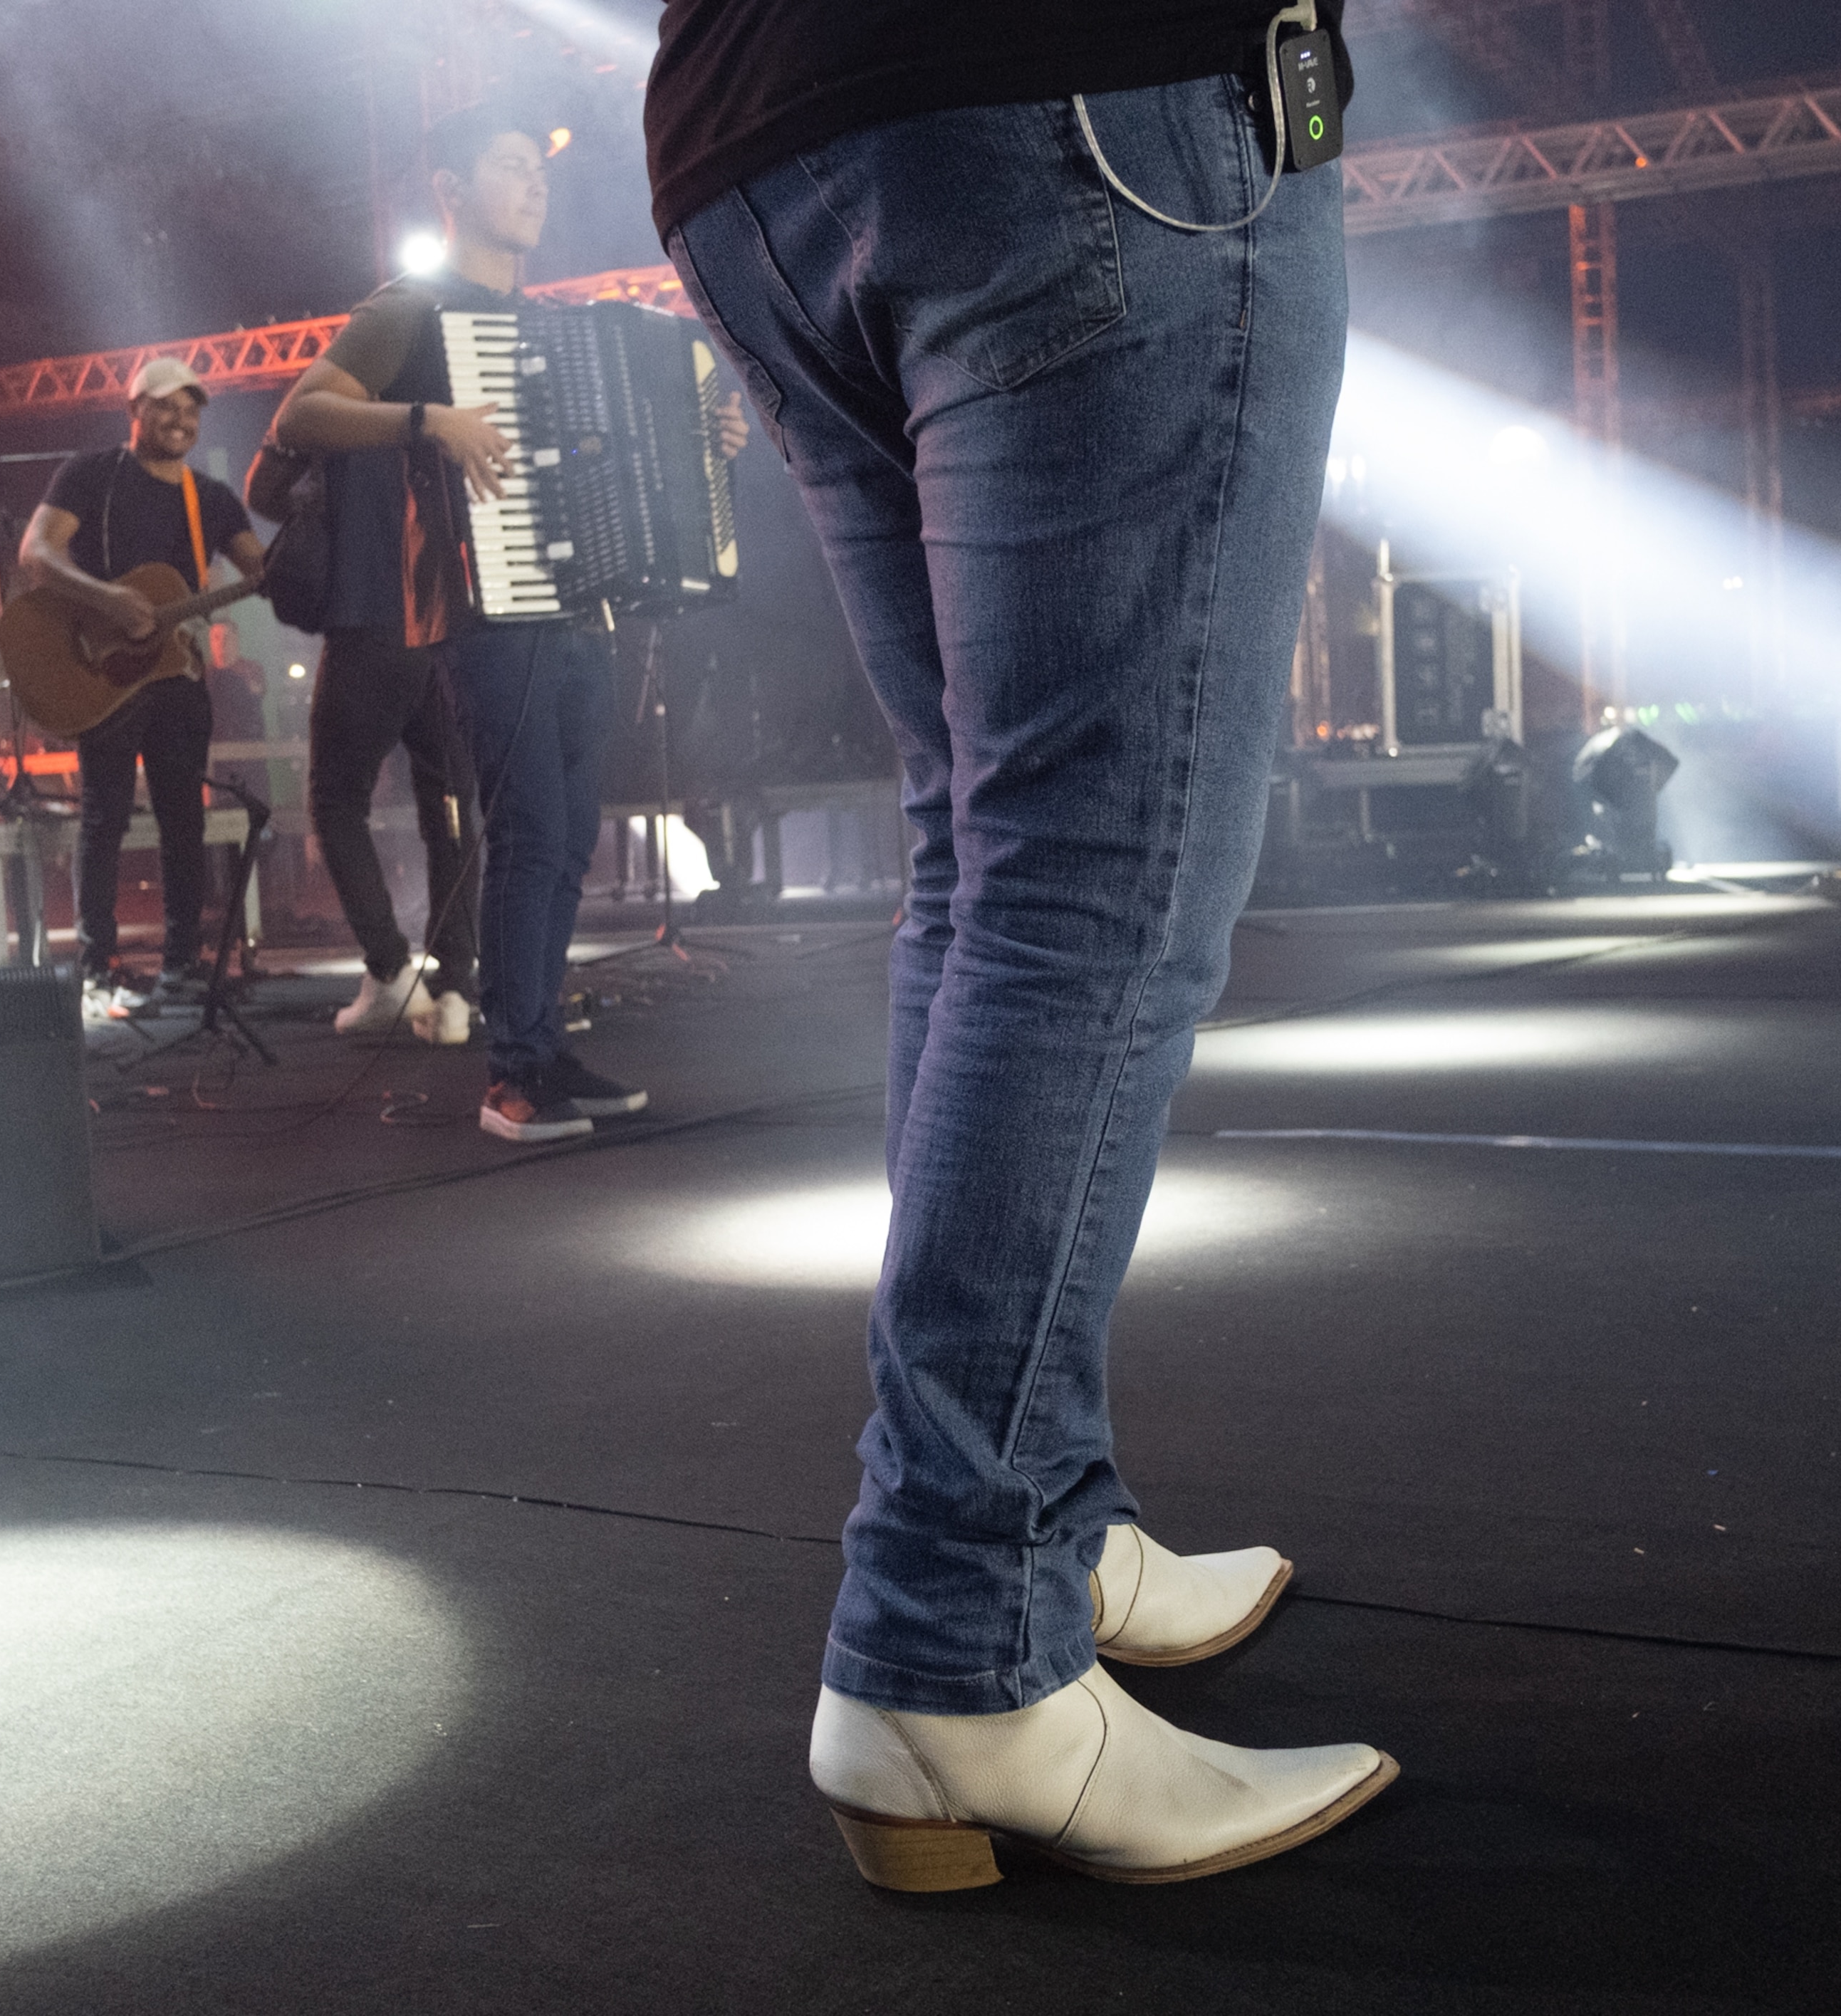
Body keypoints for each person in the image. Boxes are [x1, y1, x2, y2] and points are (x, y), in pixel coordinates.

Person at [647, 1, 1393, 1890]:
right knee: (1091, 871)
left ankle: (1035, 1514)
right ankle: (957, 1644)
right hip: (1079, 93)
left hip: (762, 132)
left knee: (997, 862)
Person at [275, 104, 745, 1134]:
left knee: (570, 834)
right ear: (450, 188)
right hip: (484, 614)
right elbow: (299, 412)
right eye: (511, 165)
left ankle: (542, 1040)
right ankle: (510, 1071)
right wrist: (427, 418)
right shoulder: (412, 308)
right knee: (530, 833)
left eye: (541, 168)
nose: (536, 183)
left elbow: (621, 448)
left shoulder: (558, 325)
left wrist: (704, 430)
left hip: (583, 610)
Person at [20, 357, 265, 1013]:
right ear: (134, 410)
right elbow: (37, 554)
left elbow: (263, 568)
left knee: (183, 820)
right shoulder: (90, 474)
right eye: (167, 406)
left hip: (177, 676)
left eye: (192, 409)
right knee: (102, 818)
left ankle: (181, 965)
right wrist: (109, 600)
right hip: (100, 670)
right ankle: (98, 968)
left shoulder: (210, 498)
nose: (182, 419)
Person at [246, 437, 482, 1047]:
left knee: (336, 801)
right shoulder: (439, 417)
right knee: (452, 806)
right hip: (445, 629)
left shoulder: (343, 421)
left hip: (365, 627)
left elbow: (264, 493)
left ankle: (390, 970)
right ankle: (457, 987)